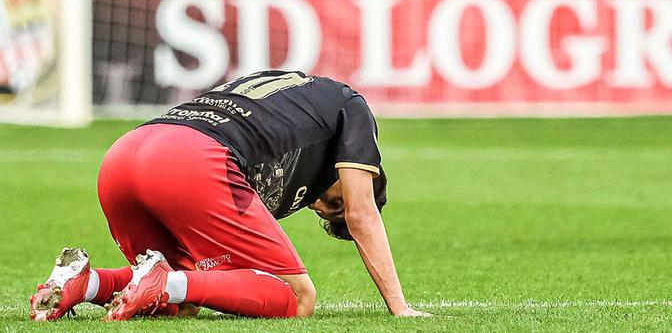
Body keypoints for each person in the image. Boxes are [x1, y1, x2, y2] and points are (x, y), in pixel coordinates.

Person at [29, 70, 429, 320]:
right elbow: (363, 213)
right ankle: (159, 283)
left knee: (184, 296)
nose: (326, 206)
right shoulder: (351, 105)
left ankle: (83, 284)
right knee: (296, 297)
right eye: (337, 202)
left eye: (327, 214)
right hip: (190, 159)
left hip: (124, 155)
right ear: (367, 171)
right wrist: (400, 306)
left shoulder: (293, 99)